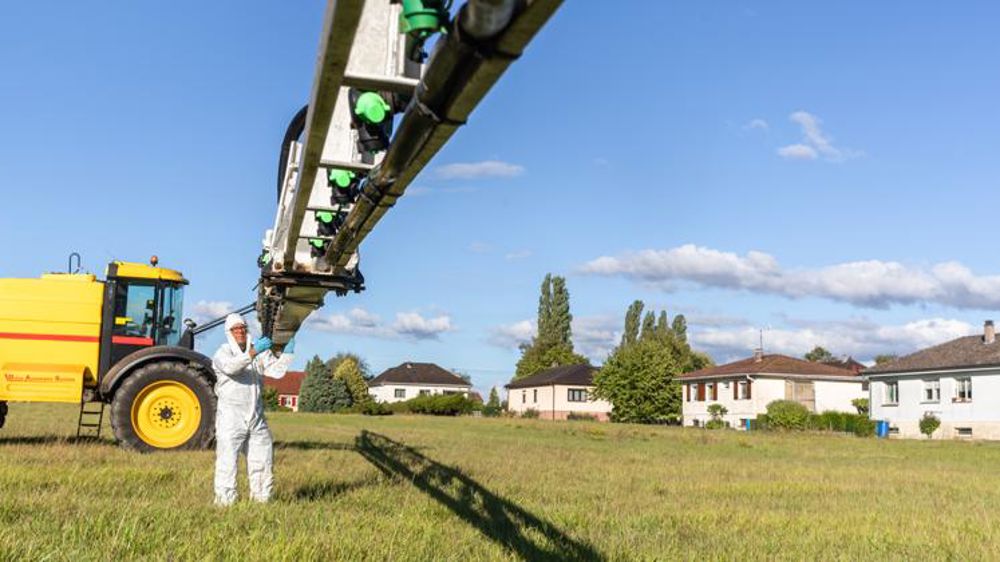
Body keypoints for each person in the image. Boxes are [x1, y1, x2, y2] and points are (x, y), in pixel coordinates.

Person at [212, 313, 295, 506]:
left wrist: (287, 353)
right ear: (229, 332)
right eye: (236, 329)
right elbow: (232, 368)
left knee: (263, 460)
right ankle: (225, 503)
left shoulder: (257, 352)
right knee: (227, 463)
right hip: (231, 419)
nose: (240, 331)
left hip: (256, 417)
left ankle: (261, 501)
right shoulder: (222, 353)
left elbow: (276, 371)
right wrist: (253, 352)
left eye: (243, 327)